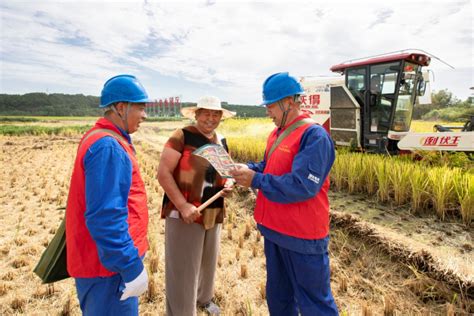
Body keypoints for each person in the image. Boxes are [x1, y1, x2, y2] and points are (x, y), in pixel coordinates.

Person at [230, 72, 339, 316]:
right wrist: (247, 170)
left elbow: (303, 185)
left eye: (270, 105)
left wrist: (256, 179)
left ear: (289, 102)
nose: (268, 111)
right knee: (279, 299)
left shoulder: (314, 136)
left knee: (314, 304)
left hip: (303, 237)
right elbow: (268, 166)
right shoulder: (277, 133)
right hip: (275, 232)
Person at [65, 74, 151, 315]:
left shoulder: (102, 138)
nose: (145, 115)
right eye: (141, 108)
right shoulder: (108, 146)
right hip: (108, 270)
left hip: (107, 264)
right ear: (121, 108)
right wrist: (130, 265)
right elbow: (106, 218)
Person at [157, 96, 235, 316]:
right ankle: (181, 311)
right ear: (196, 114)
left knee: (207, 261)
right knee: (183, 267)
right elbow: (163, 173)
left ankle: (204, 299)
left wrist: (228, 182)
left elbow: (226, 172)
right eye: (206, 114)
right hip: (186, 212)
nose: (211, 119)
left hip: (213, 209)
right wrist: (182, 205)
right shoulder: (182, 136)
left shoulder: (221, 139)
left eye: (216, 114)